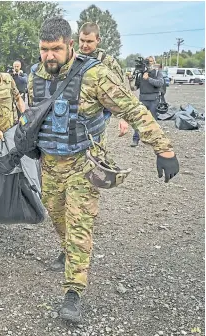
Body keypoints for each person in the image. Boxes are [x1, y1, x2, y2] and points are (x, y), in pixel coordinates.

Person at [27, 17, 179, 323]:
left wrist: (164, 149)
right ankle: (68, 251)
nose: (49, 56)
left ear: (69, 45)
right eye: (44, 49)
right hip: (49, 164)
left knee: (79, 223)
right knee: (57, 217)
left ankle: (73, 292)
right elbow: (33, 114)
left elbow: (132, 109)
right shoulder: (36, 76)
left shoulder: (94, 75)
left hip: (84, 163)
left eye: (56, 49)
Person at [77, 22, 129, 138]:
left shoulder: (108, 62)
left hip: (99, 116)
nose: (84, 45)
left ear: (98, 40)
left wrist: (123, 118)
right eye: (82, 40)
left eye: (89, 41)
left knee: (95, 150)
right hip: (74, 116)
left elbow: (121, 92)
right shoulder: (71, 60)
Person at [129, 56, 164, 147]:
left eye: (151, 61)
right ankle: (135, 140)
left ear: (154, 62)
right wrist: (130, 80)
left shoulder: (157, 73)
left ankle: (156, 140)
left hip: (154, 100)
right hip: (143, 99)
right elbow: (134, 88)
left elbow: (160, 83)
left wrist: (148, 78)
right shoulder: (140, 74)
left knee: (153, 121)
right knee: (139, 120)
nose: (149, 63)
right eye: (148, 61)